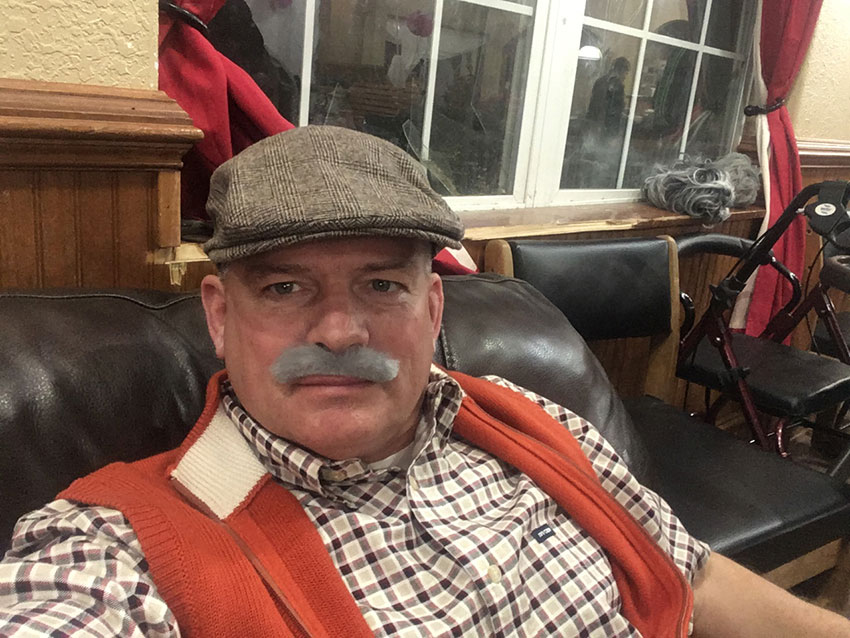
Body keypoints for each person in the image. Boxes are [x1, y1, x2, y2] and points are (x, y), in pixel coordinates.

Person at [0, 126, 848, 637]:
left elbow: (692, 576)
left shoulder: (533, 422)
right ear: (219, 316)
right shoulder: (118, 545)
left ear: (433, 306)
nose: (339, 332)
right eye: (286, 288)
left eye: (381, 284)